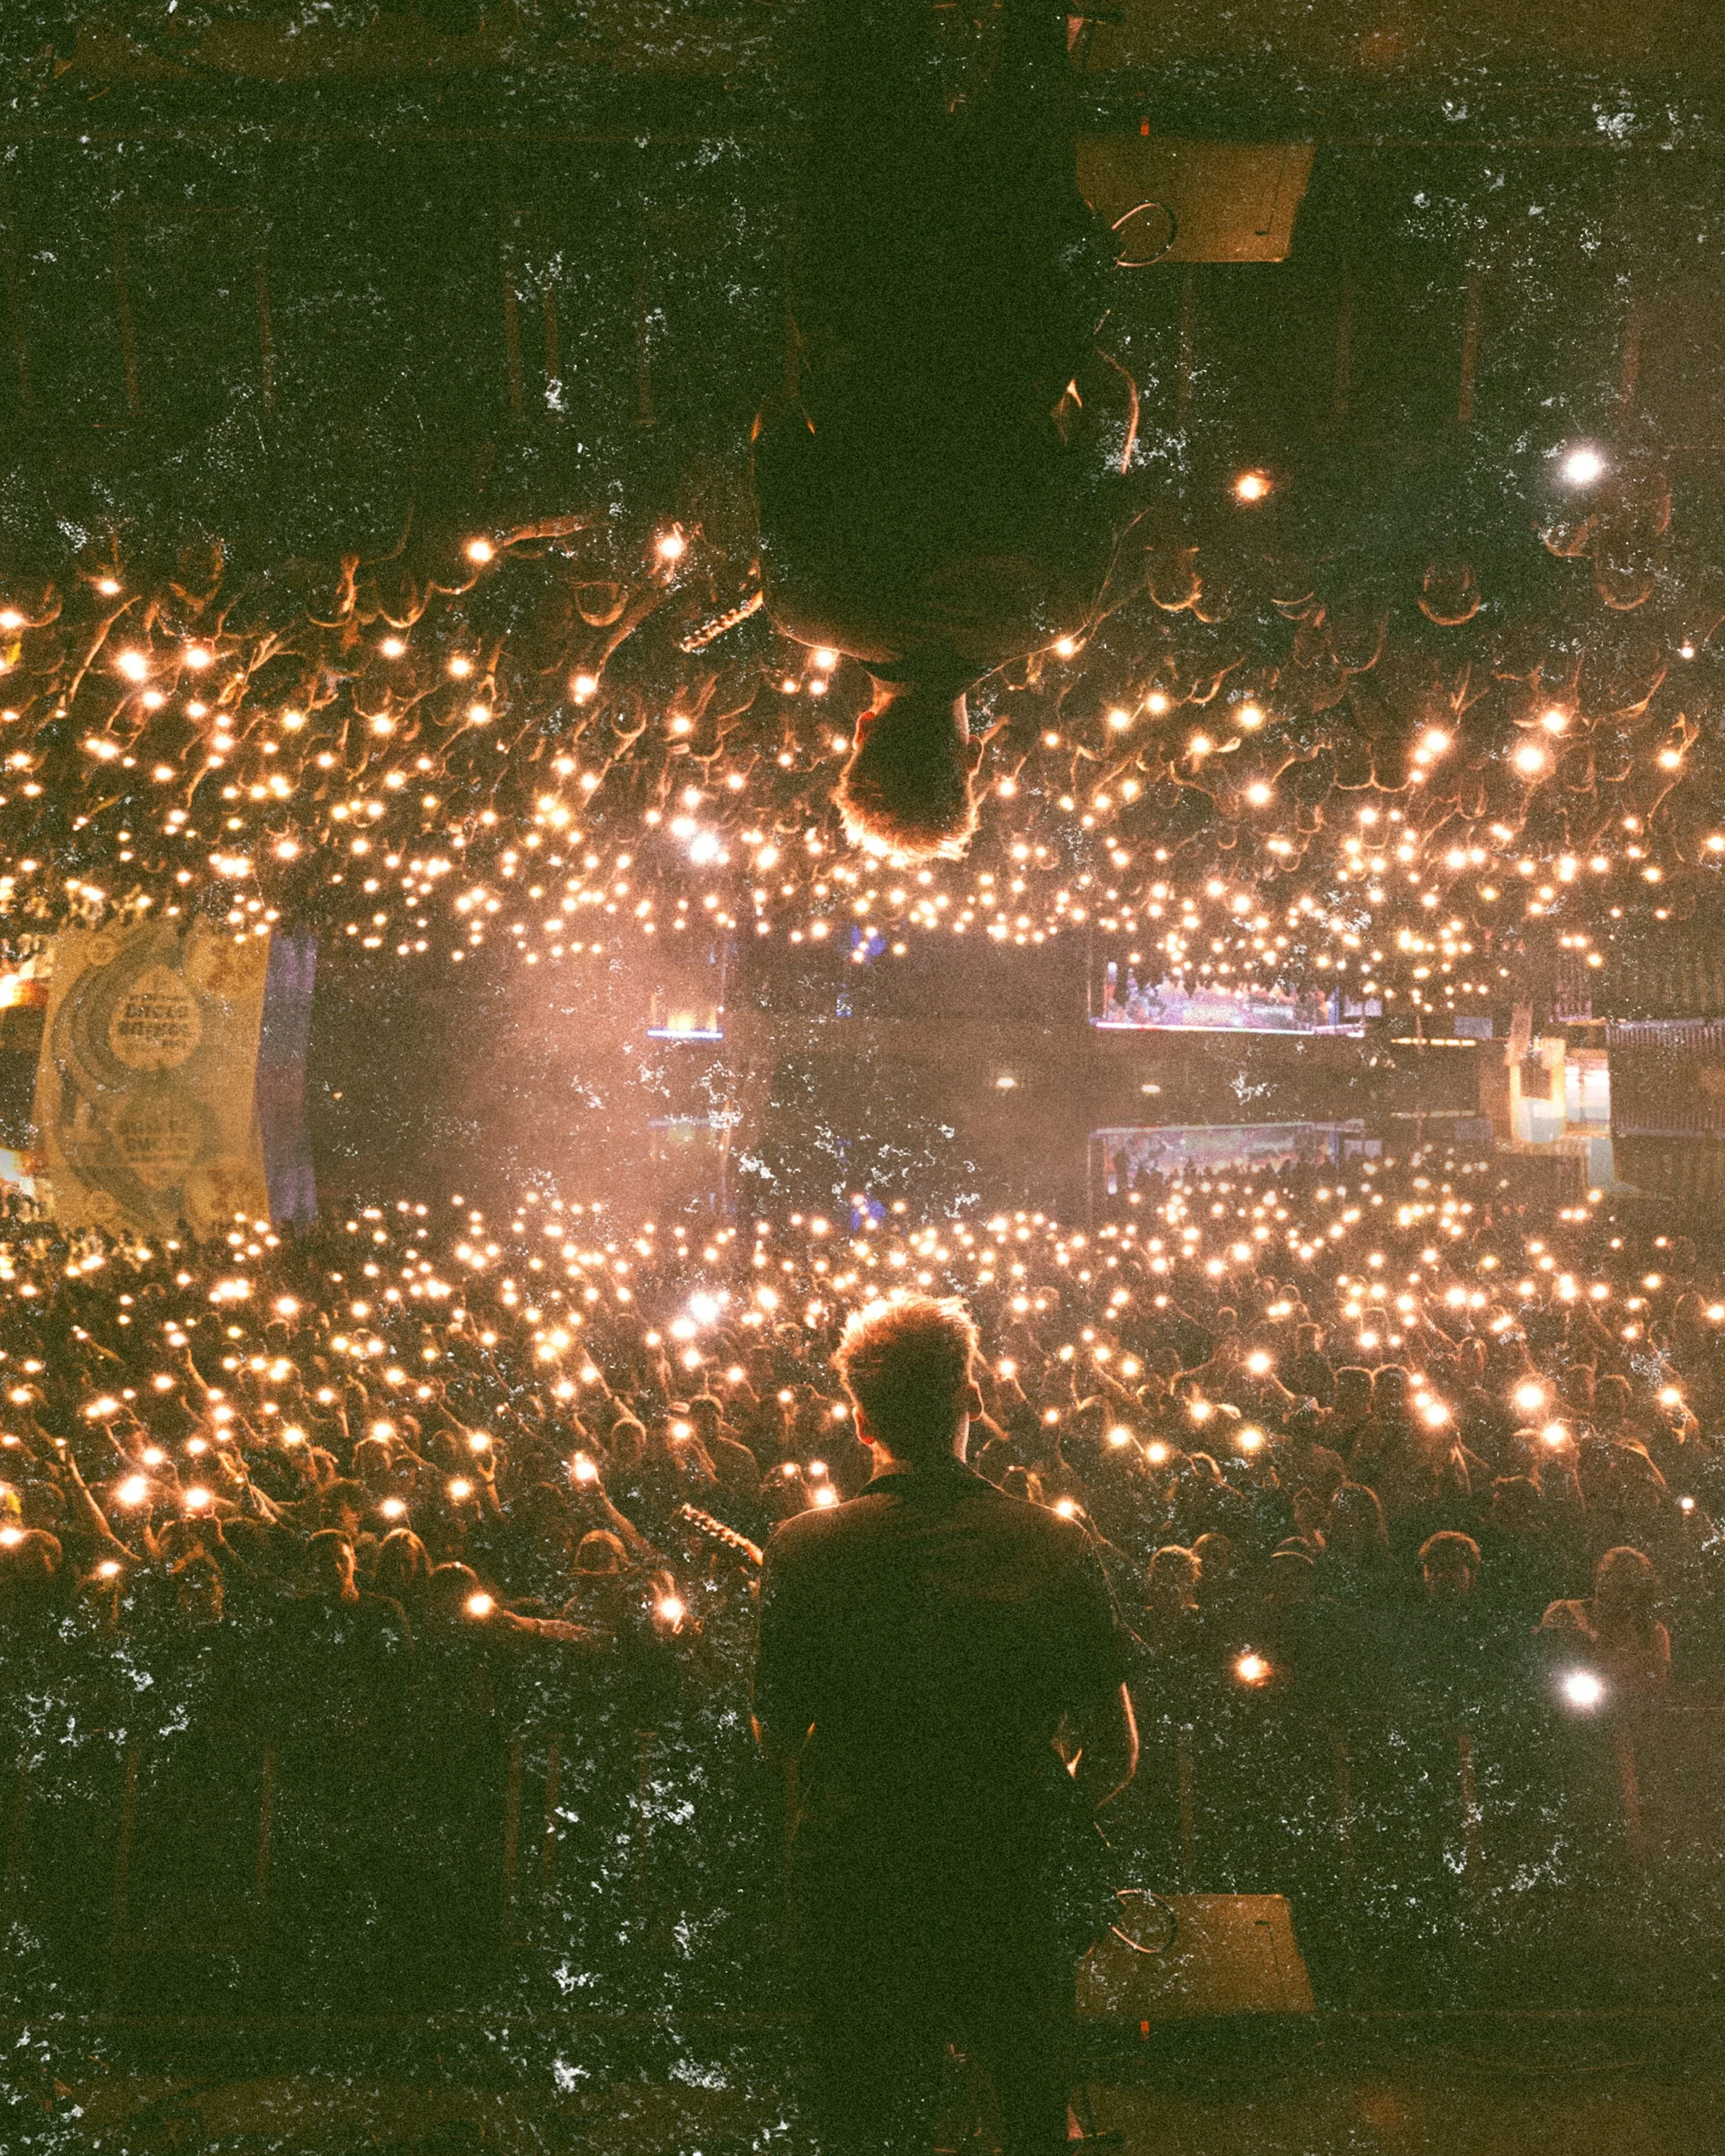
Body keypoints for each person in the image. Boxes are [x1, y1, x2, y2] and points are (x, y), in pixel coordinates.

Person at [752, 1293, 1136, 2156]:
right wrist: (1042, 1809)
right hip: (1014, 1873)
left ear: (860, 1420)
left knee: (869, 2116)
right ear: (973, 1402)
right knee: (1030, 2111)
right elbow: (1114, 1748)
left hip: (862, 1876)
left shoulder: (803, 1547)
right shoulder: (1053, 1542)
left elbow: (774, 1732)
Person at [751, 0, 1138, 859]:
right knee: (882, 70)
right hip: (862, 293)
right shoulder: (807, 606)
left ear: (974, 751)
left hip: (1017, 303)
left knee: (1031, 81)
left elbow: (1108, 437)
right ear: (859, 735)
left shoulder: (1049, 613)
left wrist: (1071, 351)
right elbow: (775, 429)